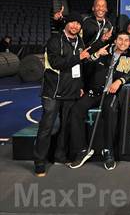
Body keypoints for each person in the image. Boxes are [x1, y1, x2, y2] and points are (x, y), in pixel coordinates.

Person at [68, 31, 130, 170]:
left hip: (111, 94)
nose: (123, 42)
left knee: (110, 111)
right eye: (120, 39)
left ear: (129, 43)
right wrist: (96, 55)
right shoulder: (104, 51)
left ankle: (108, 151)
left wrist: (120, 81)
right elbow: (85, 66)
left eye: (126, 40)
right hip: (94, 92)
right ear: (115, 41)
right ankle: (82, 150)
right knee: (76, 110)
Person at [33, 12, 91, 177]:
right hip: (53, 90)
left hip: (71, 91)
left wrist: (80, 85)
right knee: (46, 127)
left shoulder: (80, 41)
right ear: (66, 24)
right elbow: (56, 63)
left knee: (65, 126)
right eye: (72, 22)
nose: (75, 26)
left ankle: (59, 156)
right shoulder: (54, 40)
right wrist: (78, 56)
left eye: (78, 24)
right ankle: (39, 161)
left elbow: (79, 67)